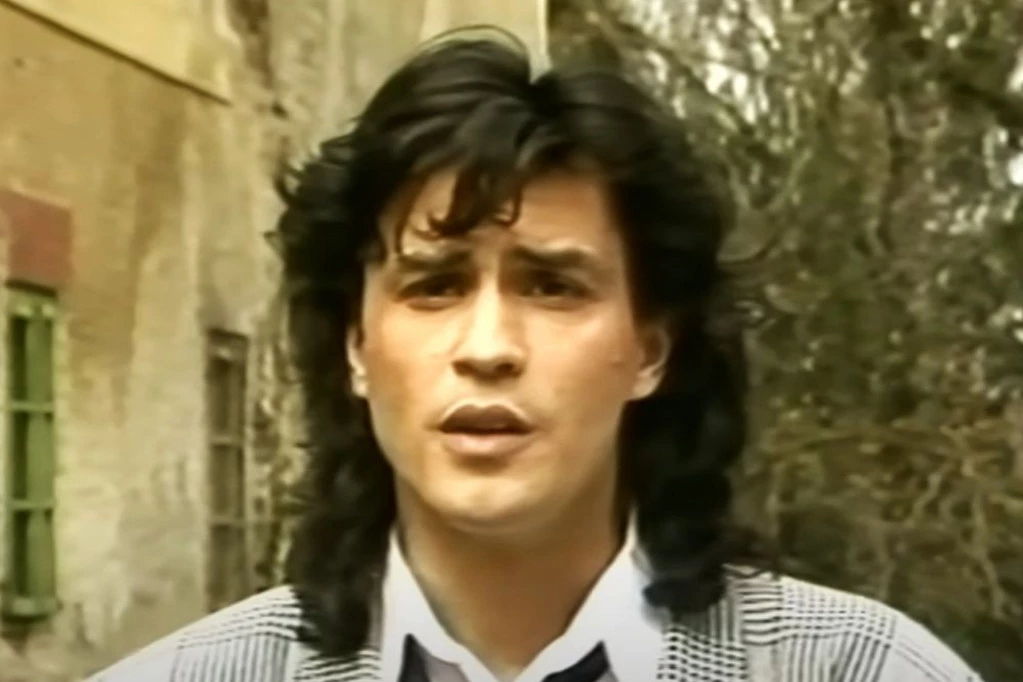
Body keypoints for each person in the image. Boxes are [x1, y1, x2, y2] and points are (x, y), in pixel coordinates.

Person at [87, 29, 984, 682]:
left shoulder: (865, 669)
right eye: (434, 285)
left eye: (552, 286)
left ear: (649, 347)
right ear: (356, 346)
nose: (488, 348)